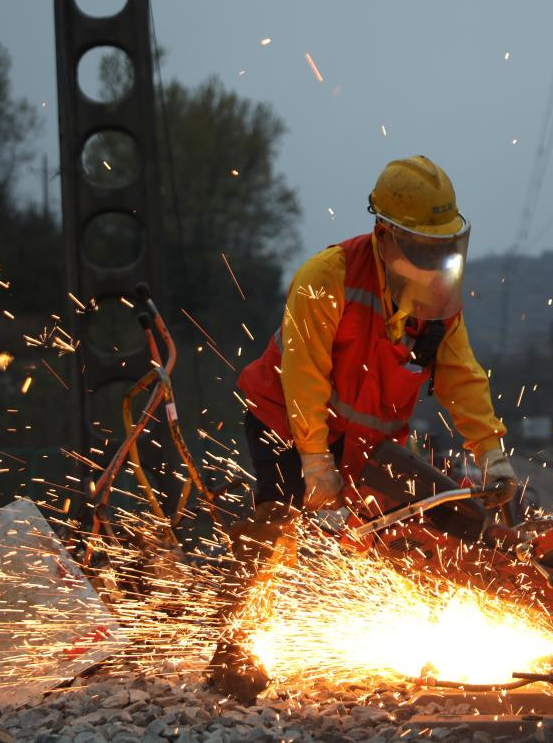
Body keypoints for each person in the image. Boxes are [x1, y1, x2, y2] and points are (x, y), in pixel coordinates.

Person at [210, 155, 516, 699]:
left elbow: (461, 374)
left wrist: (490, 452)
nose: (435, 261)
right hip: (286, 423)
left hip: (365, 443)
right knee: (275, 530)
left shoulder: (439, 302)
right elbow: (300, 376)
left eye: (442, 247)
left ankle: (454, 626)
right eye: (423, 248)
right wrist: (314, 461)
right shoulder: (326, 277)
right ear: (384, 235)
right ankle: (234, 652)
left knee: (440, 520)